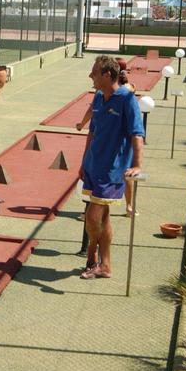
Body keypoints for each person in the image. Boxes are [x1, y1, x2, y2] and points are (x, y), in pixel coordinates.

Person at [78, 56, 144, 279]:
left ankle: (92, 254)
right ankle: (105, 265)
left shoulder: (127, 99)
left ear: (107, 75)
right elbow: (92, 132)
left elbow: (137, 134)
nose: (90, 76)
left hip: (112, 170)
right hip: (92, 166)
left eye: (94, 73)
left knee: (92, 216)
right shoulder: (98, 97)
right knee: (103, 217)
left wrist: (137, 165)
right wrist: (84, 162)